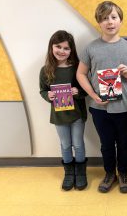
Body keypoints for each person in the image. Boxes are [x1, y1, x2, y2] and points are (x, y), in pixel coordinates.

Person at [76, 1, 127, 193]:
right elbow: (80, 74)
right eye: (104, 18)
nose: (110, 22)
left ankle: (123, 172)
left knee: (124, 143)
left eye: (113, 17)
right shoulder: (91, 48)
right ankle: (109, 174)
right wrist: (93, 95)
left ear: (121, 20)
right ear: (99, 22)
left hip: (125, 107)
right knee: (106, 144)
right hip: (100, 108)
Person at [39, 30, 88, 191]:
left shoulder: (77, 68)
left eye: (66, 48)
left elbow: (86, 90)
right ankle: (69, 174)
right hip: (59, 116)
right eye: (58, 47)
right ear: (51, 47)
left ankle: (80, 173)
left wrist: (78, 92)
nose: (61, 51)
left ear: (71, 50)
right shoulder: (46, 70)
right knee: (65, 145)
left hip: (77, 114)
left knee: (78, 144)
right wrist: (49, 96)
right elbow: (42, 90)